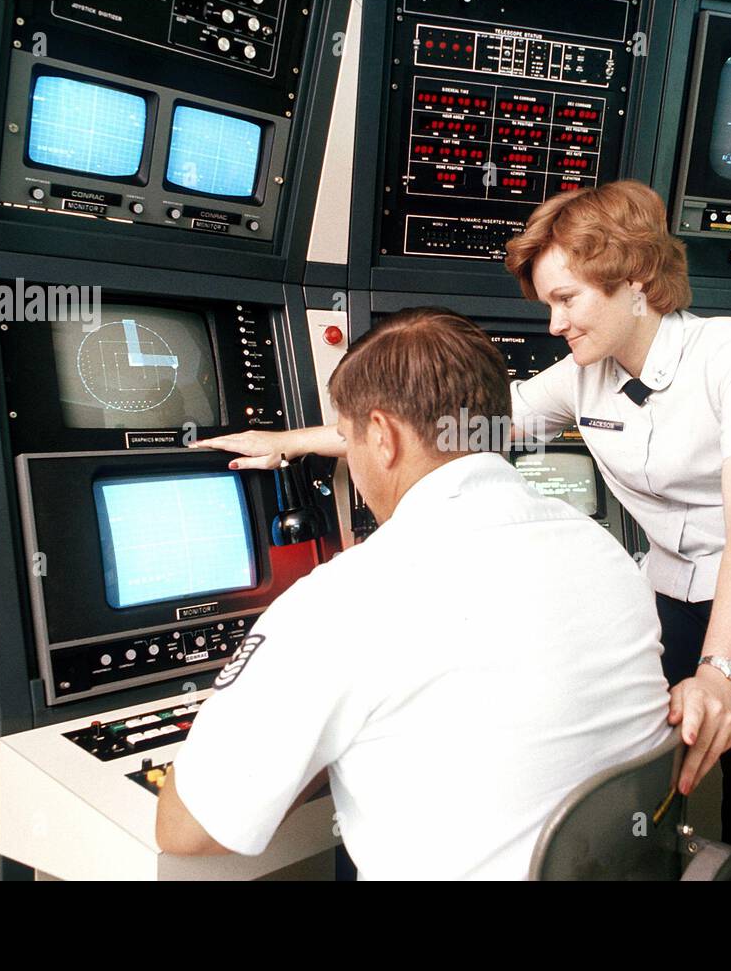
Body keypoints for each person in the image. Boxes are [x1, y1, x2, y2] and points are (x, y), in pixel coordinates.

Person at [156, 308, 671, 879]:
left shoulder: (345, 598)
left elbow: (189, 828)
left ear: (382, 436)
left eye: (349, 439)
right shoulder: (606, 552)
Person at [500, 180, 731, 880]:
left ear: (633, 280)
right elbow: (458, 425)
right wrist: (315, 437)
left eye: (566, 298)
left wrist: (723, 674)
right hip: (671, 611)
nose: (554, 323)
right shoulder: (579, 378)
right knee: (645, 834)